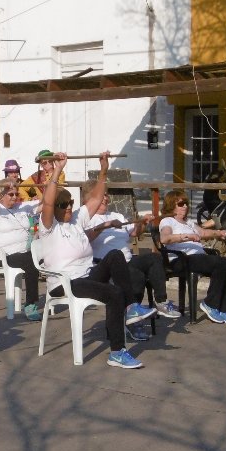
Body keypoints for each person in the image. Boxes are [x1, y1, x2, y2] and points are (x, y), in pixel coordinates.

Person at [36, 152, 155, 369]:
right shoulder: (48, 227)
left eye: (71, 203)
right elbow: (47, 202)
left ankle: (131, 307)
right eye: (63, 205)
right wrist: (57, 170)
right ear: (55, 208)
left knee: (115, 256)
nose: (69, 208)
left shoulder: (77, 220)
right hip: (64, 283)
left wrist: (103, 170)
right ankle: (118, 352)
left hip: (86, 276)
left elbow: (97, 197)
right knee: (113, 293)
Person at [79, 181, 182, 340]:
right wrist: (105, 225)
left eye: (106, 195)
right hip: (105, 265)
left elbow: (134, 232)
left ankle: (161, 302)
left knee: (154, 258)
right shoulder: (85, 219)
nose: (106, 198)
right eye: (102, 195)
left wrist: (142, 222)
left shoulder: (117, 216)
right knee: (136, 275)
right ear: (91, 198)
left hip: (127, 259)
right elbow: (86, 239)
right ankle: (133, 320)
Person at [158, 189, 226, 324]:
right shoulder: (167, 221)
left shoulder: (188, 222)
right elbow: (165, 238)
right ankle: (210, 304)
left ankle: (222, 309)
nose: (185, 206)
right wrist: (186, 236)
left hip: (198, 258)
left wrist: (219, 233)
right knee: (220, 264)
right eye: (181, 204)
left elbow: (203, 232)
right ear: (172, 205)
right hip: (181, 259)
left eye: (186, 203)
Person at [0, 181, 44, 321]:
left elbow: (44, 203)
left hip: (25, 251)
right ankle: (30, 304)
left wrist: (53, 176)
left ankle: (60, 294)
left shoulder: (21, 207)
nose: (14, 197)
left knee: (48, 255)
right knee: (32, 262)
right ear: (2, 195)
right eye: (10, 194)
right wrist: (1, 190)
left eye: (16, 194)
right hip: (5, 256)